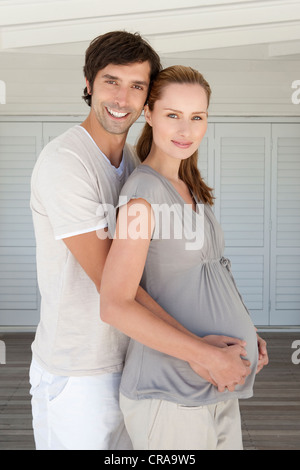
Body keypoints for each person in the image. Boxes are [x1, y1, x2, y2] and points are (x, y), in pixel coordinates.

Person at [100, 65, 268, 450]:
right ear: (149, 114)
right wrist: (206, 355)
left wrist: (248, 330)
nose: (185, 129)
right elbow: (115, 305)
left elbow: (209, 275)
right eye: (173, 115)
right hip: (170, 390)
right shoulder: (144, 193)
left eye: (197, 117)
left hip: (217, 381)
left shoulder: (191, 189)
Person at [29, 30, 162, 450]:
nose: (122, 98)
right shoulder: (65, 162)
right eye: (111, 81)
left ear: (147, 99)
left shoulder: (136, 164)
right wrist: (196, 347)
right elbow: (113, 283)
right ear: (88, 84)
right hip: (78, 372)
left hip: (132, 362)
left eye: (136, 86)